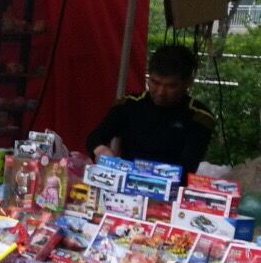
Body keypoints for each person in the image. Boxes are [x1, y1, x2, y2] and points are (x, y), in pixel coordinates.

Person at [86, 45, 215, 176]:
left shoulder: (198, 117)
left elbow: (187, 167)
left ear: (188, 83)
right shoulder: (128, 105)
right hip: (126, 181)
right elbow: (95, 138)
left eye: (171, 86)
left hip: (172, 187)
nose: (160, 92)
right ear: (148, 77)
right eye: (155, 82)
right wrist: (101, 151)